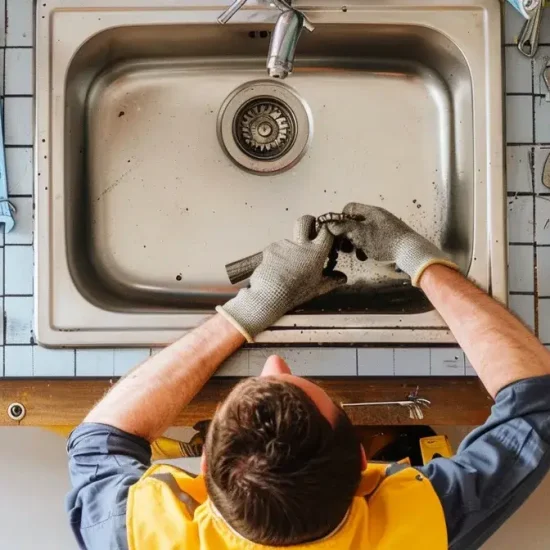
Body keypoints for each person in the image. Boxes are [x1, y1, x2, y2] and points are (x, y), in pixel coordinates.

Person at [67, 204, 550, 550]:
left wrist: (251, 308)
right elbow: (535, 403)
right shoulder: (417, 528)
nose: (275, 365)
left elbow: (98, 439)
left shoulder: (146, 536)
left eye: (262, 381)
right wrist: (416, 257)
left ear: (205, 470)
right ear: (364, 464)